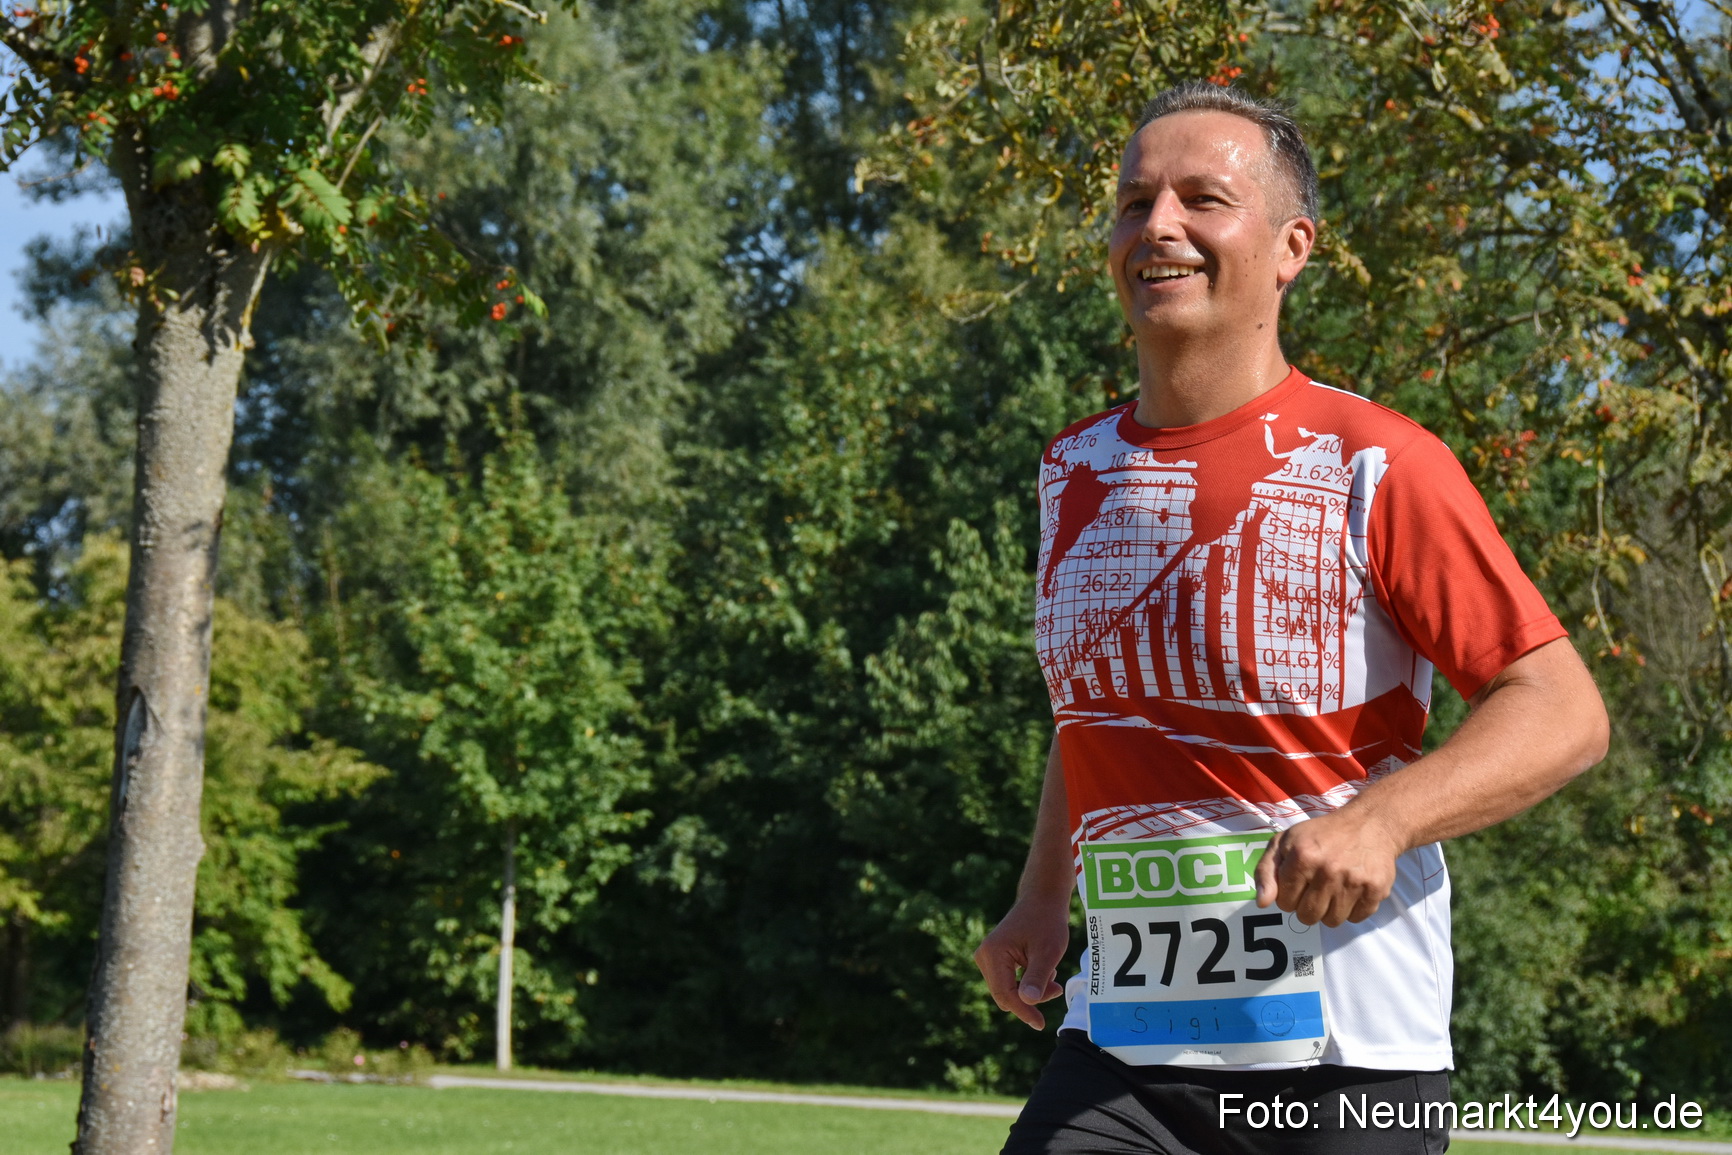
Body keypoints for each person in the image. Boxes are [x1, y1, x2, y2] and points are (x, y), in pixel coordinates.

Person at [975, 81, 1609, 1155]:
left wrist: (1382, 820)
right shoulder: (1072, 469)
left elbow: (1561, 708)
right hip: (1121, 1047)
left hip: (1342, 1062)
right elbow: (1097, 716)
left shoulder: (1376, 463)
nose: (1157, 226)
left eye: (1200, 199)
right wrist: (1042, 897)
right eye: (1133, 203)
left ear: (1290, 247)